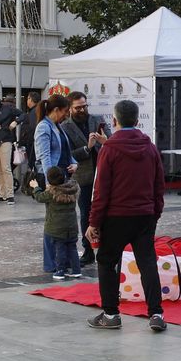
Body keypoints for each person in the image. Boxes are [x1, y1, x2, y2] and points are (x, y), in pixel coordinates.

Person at [85, 100, 167, 333]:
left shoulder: (109, 150)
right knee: (147, 263)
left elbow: (101, 191)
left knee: (108, 262)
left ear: (114, 120)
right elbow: (158, 185)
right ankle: (156, 314)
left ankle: (111, 314)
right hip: (144, 215)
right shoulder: (149, 147)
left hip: (116, 216)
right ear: (137, 119)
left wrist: (94, 222)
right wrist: (155, 213)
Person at [59, 92, 106, 266]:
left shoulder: (97, 119)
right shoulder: (65, 127)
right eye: (78, 107)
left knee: (106, 212)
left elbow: (110, 141)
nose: (82, 109)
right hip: (84, 176)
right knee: (86, 214)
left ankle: (106, 247)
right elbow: (68, 154)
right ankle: (88, 250)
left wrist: (103, 141)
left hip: (103, 173)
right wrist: (87, 148)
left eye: (84, 106)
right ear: (70, 108)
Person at [33, 166, 82, 281]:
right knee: (72, 248)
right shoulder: (73, 189)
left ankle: (60, 271)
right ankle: (76, 270)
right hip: (72, 227)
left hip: (57, 228)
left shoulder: (52, 193)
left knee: (60, 249)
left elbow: (39, 197)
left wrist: (35, 187)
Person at [34, 95, 74, 180]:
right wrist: (49, 182)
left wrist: (74, 163)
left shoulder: (58, 126)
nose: (67, 115)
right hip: (54, 179)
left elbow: (64, 151)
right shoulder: (43, 127)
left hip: (62, 175)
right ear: (56, 110)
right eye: (65, 111)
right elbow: (45, 157)